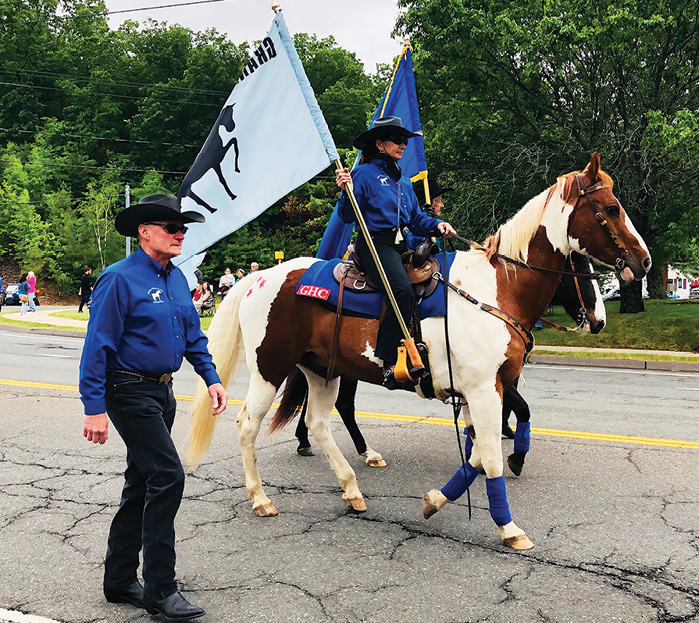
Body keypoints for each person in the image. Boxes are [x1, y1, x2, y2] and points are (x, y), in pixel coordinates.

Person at [79, 193, 228, 622]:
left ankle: (120, 579)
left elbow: (193, 335)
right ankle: (161, 589)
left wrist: (211, 377)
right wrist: (94, 407)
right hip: (127, 390)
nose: (180, 233)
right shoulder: (118, 278)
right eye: (171, 227)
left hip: (163, 393)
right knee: (167, 477)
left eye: (183, 228)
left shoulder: (177, 278)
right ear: (145, 232)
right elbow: (97, 346)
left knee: (141, 483)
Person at [335, 116, 456, 386]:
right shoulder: (364, 174)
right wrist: (345, 191)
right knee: (400, 289)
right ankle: (388, 362)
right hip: (374, 244)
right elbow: (345, 215)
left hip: (399, 246)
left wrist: (438, 224)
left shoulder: (403, 182)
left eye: (404, 140)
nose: (403, 145)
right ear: (380, 144)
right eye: (397, 140)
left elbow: (416, 221)